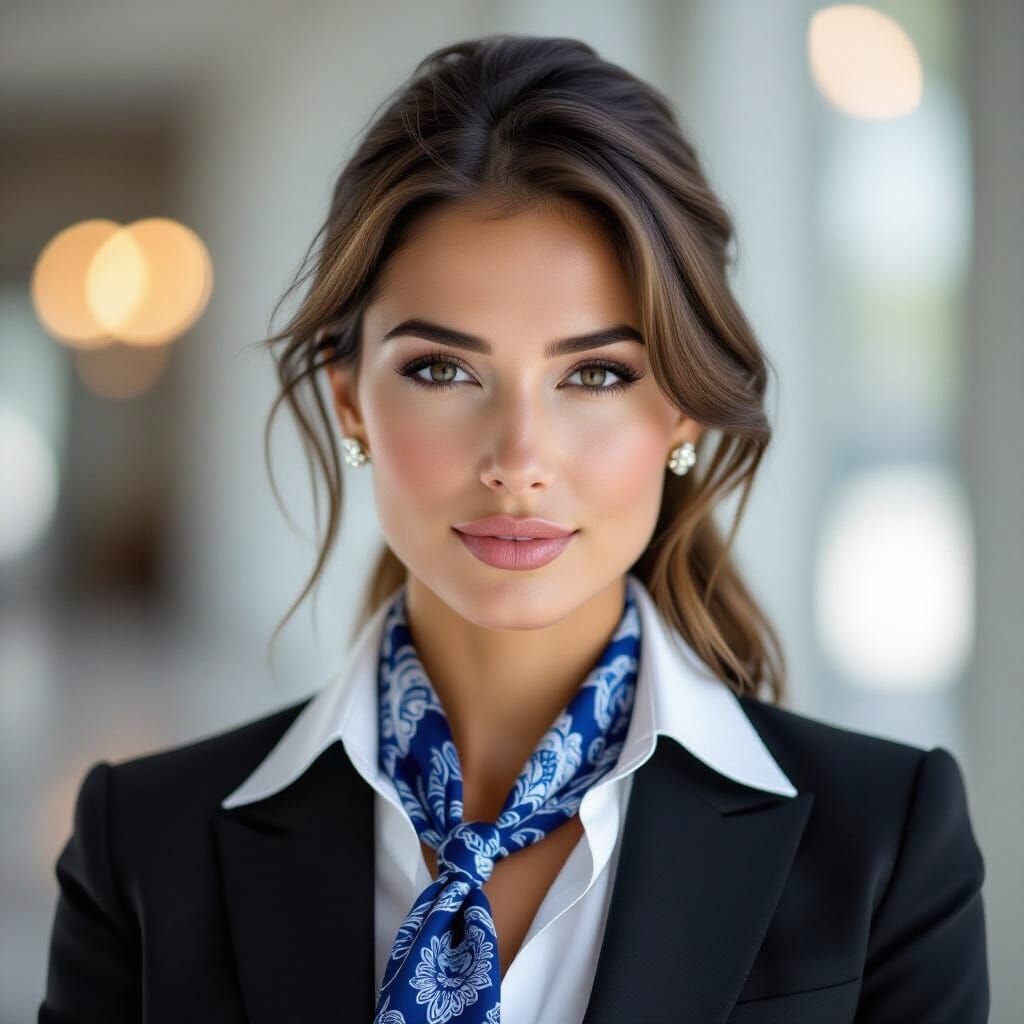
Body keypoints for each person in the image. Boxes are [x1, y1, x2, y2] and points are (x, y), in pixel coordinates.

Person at [39, 34, 989, 1024]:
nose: (518, 458)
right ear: (350, 400)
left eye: (596, 374)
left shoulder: (885, 844)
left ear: (683, 410)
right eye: (443, 370)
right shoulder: (140, 846)